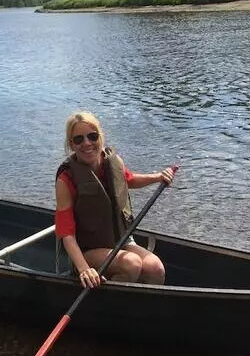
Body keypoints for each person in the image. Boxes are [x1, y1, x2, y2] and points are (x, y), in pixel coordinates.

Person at [55, 112, 174, 288]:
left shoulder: (112, 162)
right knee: (131, 264)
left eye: (92, 136)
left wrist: (158, 177)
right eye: (78, 139)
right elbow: (66, 233)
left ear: (100, 137)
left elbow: (129, 180)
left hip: (120, 239)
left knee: (155, 268)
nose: (87, 143)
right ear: (71, 145)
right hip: (86, 250)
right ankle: (108, 307)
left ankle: (143, 309)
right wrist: (83, 269)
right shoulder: (66, 180)